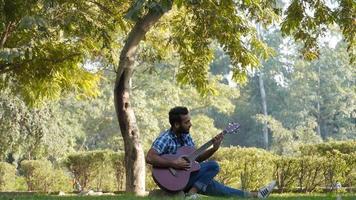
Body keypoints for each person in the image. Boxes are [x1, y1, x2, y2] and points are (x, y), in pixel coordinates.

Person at [146, 106, 276, 199]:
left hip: (188, 178)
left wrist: (214, 148)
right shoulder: (165, 138)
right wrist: (174, 163)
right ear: (176, 125)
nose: (190, 124)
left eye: (189, 120)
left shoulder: (186, 136)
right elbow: (150, 157)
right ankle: (192, 193)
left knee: (221, 189)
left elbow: (196, 161)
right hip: (172, 181)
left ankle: (255, 196)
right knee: (213, 166)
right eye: (187, 122)